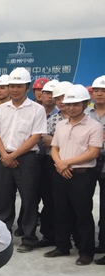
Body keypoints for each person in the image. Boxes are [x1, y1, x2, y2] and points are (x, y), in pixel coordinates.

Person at [0, 67, 46, 253]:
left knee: (29, 200)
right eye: (12, 86)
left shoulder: (37, 109)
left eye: (19, 86)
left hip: (27, 159)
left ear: (27, 87)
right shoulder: (2, 108)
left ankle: (29, 238)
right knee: (4, 199)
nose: (15, 89)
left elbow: (35, 137)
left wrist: (13, 156)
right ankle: (4, 237)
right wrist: (5, 155)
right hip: (3, 156)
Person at [44, 85, 101, 266]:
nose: (71, 108)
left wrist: (66, 162)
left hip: (82, 175)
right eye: (68, 104)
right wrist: (59, 164)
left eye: (76, 104)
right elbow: (55, 147)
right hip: (60, 172)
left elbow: (93, 153)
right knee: (60, 211)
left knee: (82, 213)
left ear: (85, 104)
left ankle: (86, 251)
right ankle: (62, 246)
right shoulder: (61, 124)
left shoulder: (94, 126)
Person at [34, 79, 62, 249]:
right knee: (32, 198)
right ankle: (41, 233)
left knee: (52, 200)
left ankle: (55, 235)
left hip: (54, 161)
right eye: (46, 93)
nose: (49, 96)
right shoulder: (33, 112)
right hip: (33, 159)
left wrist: (53, 140)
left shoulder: (61, 116)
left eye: (53, 94)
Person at [86, 75, 105, 253]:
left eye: (103, 91)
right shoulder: (85, 113)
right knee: (83, 203)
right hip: (87, 161)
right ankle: (85, 243)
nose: (99, 94)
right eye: (96, 90)